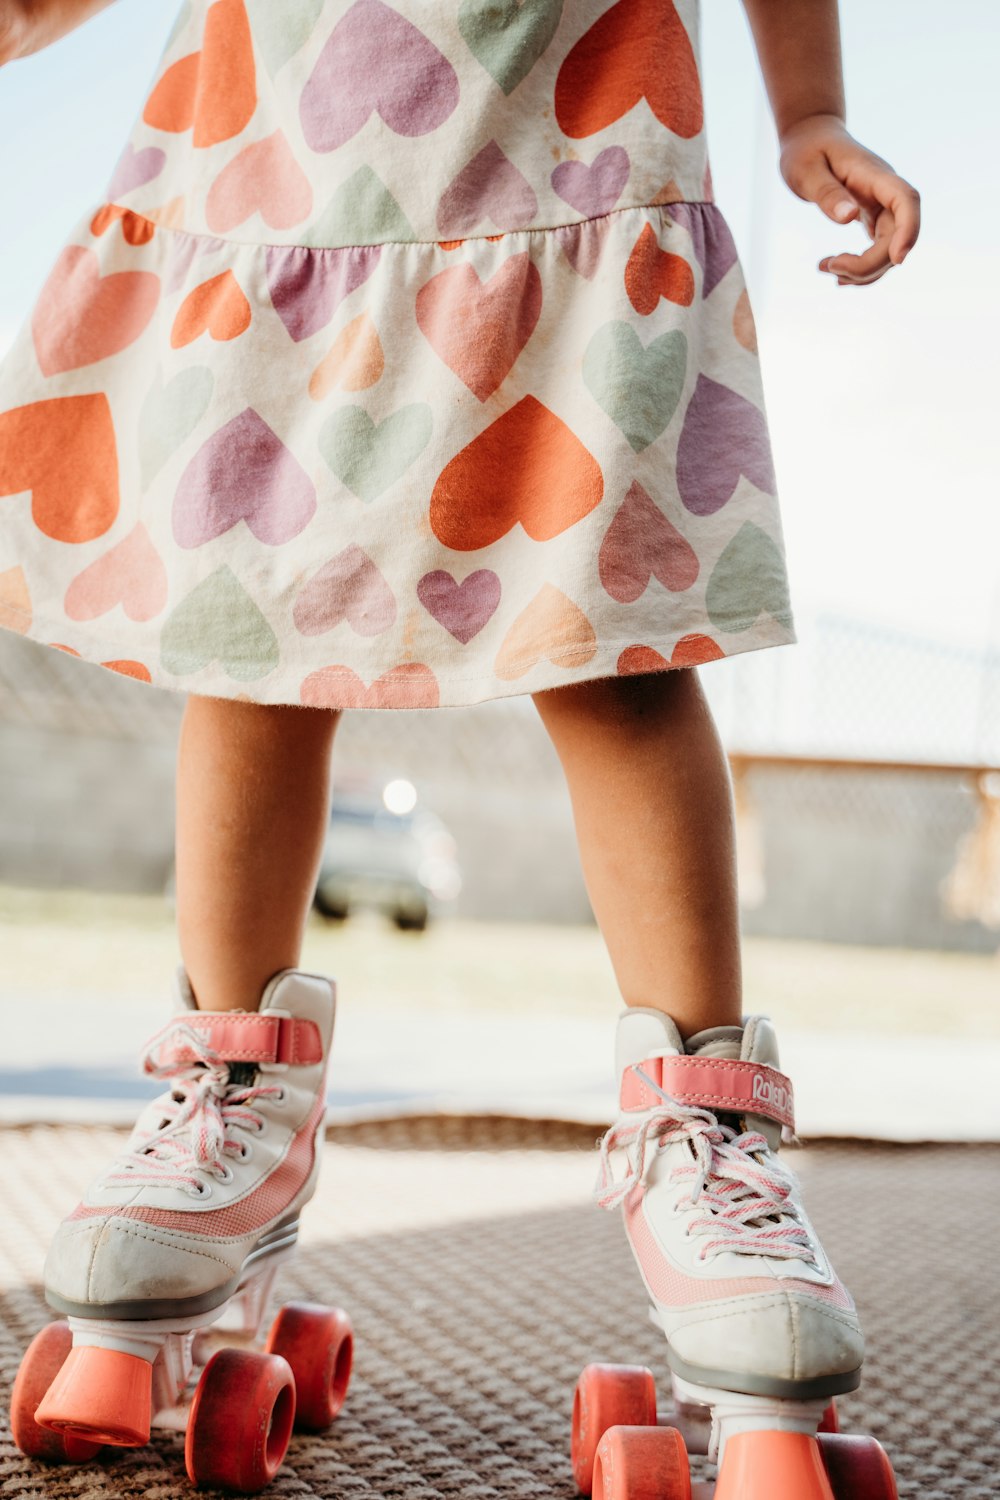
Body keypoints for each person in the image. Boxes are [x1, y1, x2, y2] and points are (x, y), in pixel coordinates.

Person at [0, 0, 919, 1469]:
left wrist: (807, 105)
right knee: (250, 636)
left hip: (578, 150)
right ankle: (230, 1094)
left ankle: (706, 1130)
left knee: (617, 637)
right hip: (284, 163)